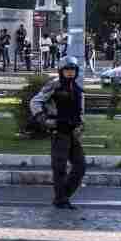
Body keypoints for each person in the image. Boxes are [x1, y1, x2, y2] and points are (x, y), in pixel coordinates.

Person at [30, 57, 87, 209]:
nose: (70, 72)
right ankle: (61, 199)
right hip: (58, 131)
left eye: (73, 70)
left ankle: (62, 197)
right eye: (67, 69)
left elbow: (80, 111)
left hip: (73, 132)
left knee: (80, 166)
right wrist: (43, 118)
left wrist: (81, 125)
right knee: (59, 167)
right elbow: (35, 101)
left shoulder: (77, 88)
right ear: (61, 70)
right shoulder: (54, 85)